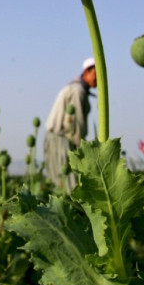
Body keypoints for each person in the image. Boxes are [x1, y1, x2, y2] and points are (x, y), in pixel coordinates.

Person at [44, 57, 97, 192]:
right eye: (95, 74)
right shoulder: (77, 91)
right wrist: (82, 150)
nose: (98, 79)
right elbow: (76, 124)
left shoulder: (76, 88)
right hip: (61, 140)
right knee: (69, 184)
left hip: (58, 138)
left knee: (59, 181)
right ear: (86, 71)